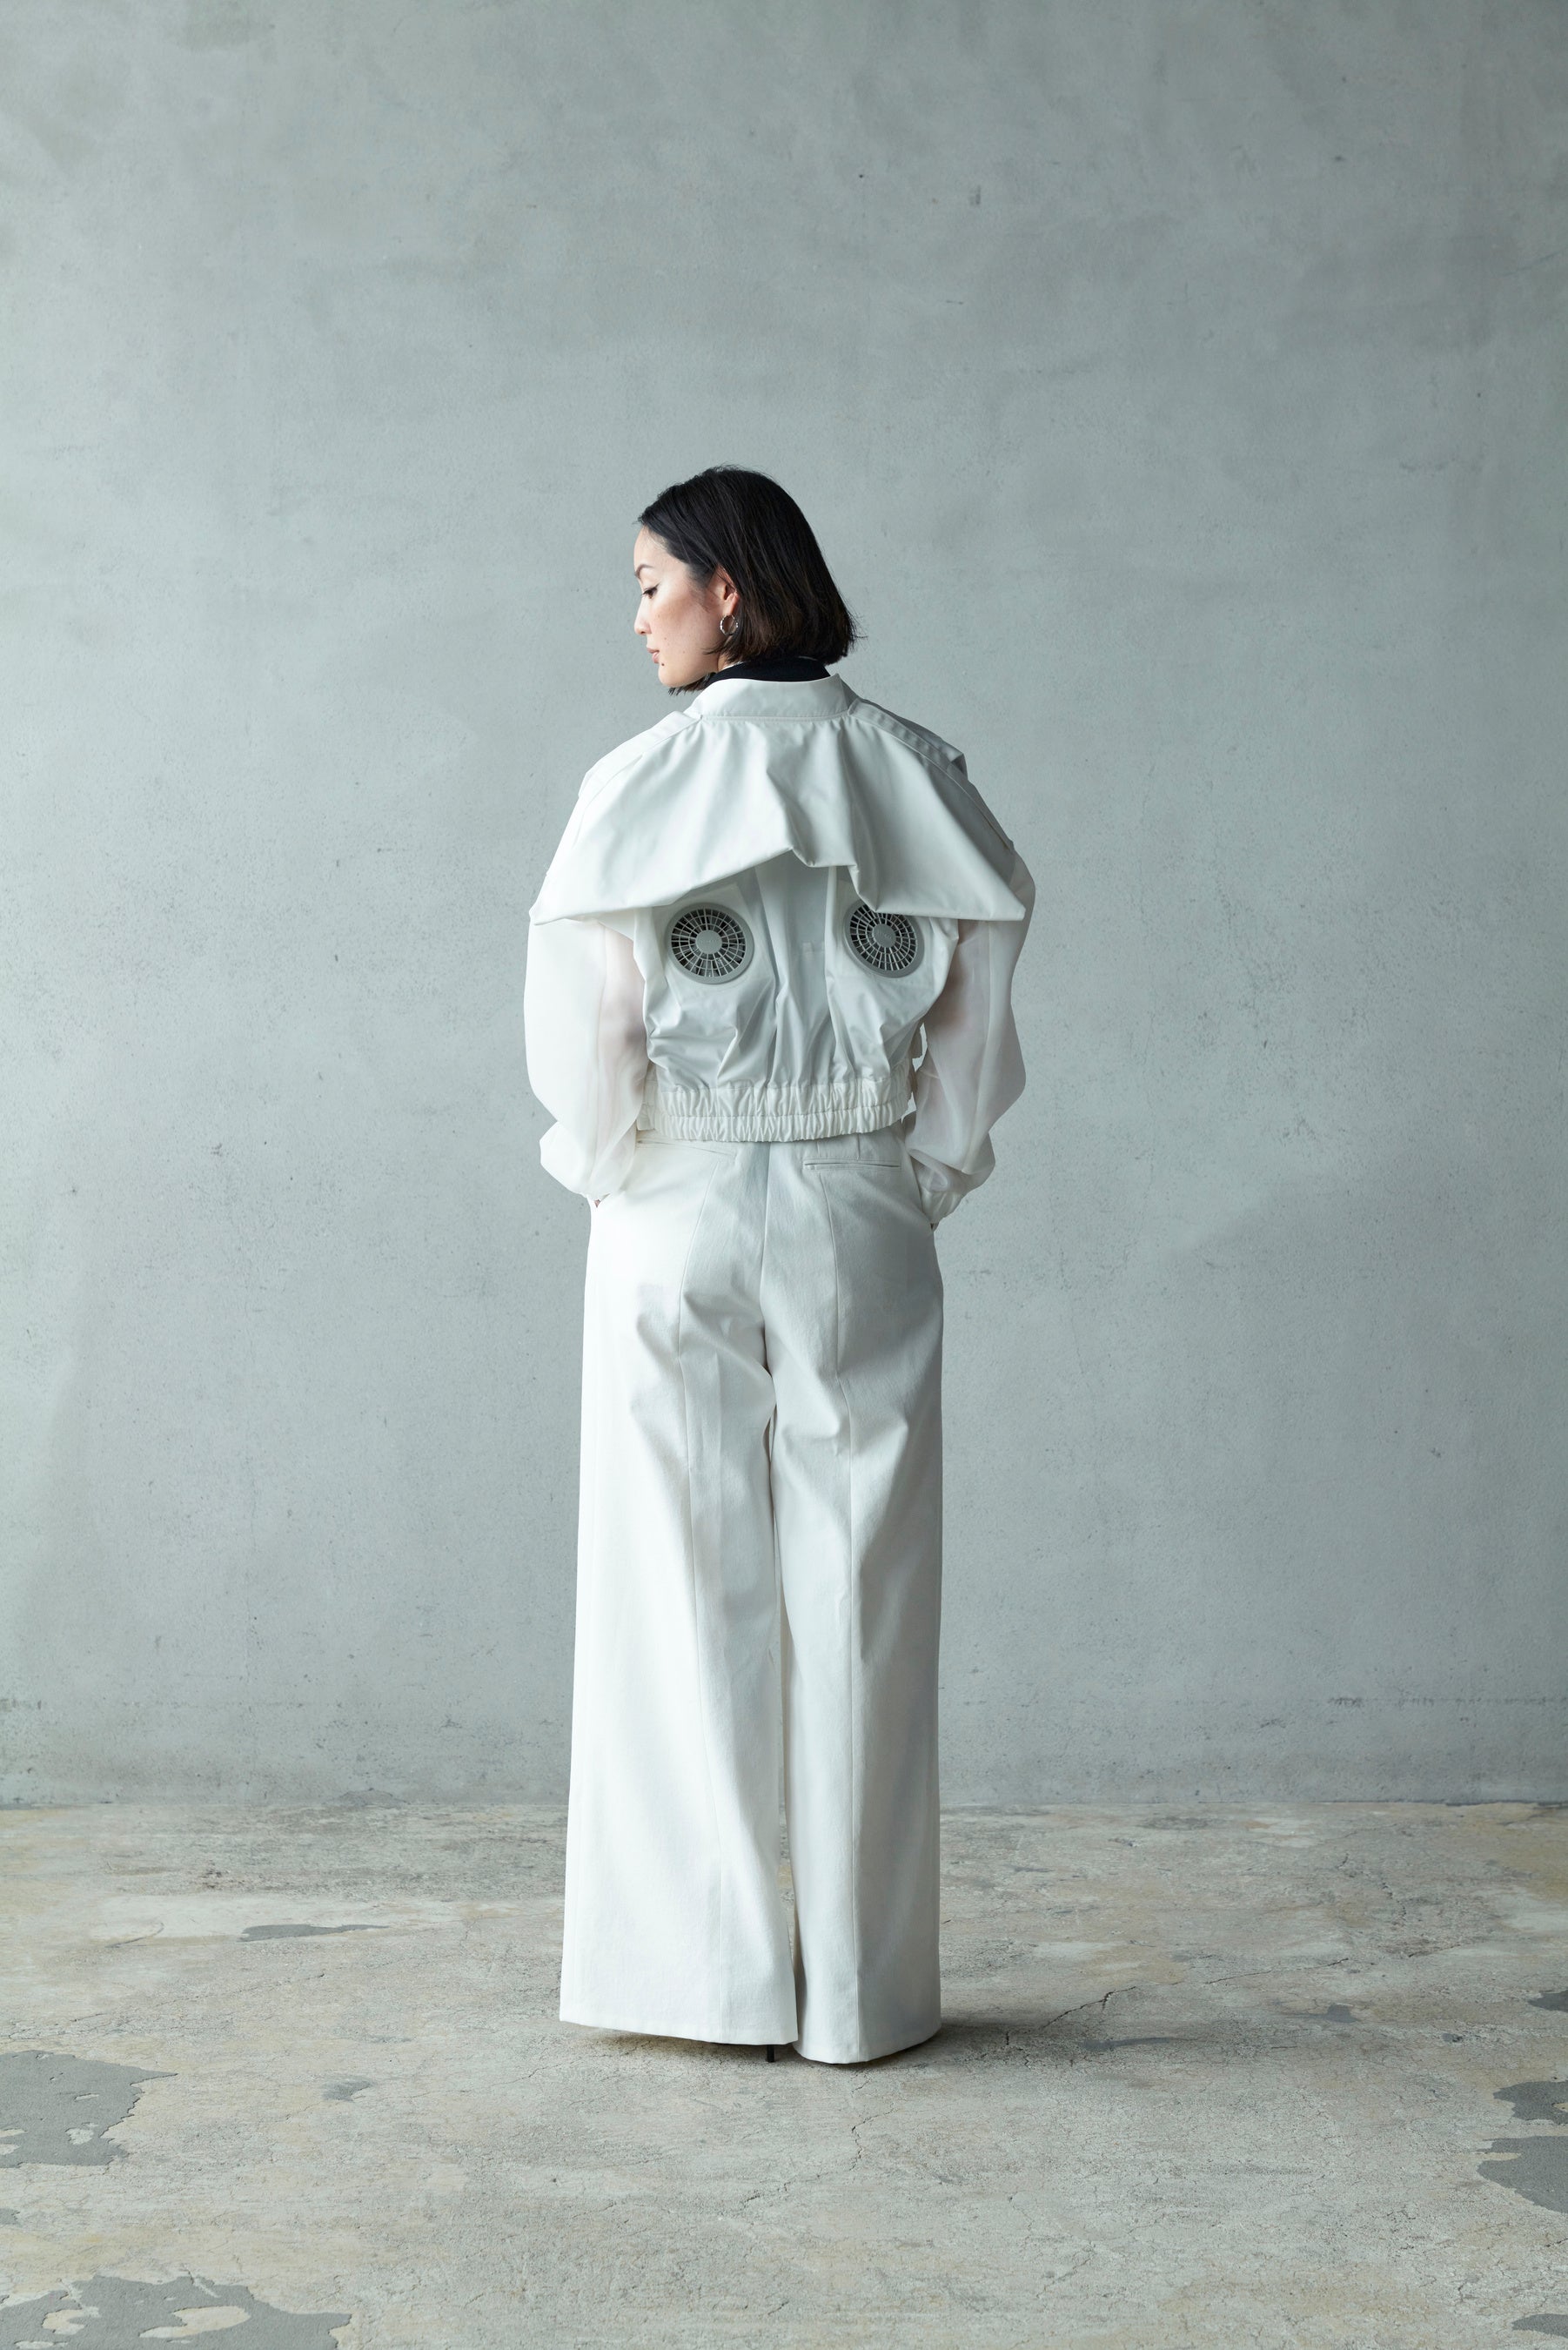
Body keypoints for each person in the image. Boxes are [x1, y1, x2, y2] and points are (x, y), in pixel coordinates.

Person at [524, 466, 1035, 2065]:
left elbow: (594, 1033)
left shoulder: (639, 782)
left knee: (679, 1583)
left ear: (727, 590)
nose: (637, 620)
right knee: (866, 1581)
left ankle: (705, 1982)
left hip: (673, 1191)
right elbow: (977, 1012)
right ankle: (864, 1998)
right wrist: (913, 1169)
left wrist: (612, 1168)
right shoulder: (915, 773)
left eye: (651, 585)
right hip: (859, 1190)